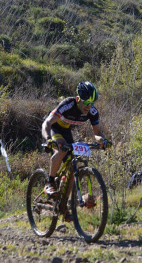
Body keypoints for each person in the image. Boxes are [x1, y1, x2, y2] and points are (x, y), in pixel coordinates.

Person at [42, 81, 111, 221]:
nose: (88, 106)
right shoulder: (68, 104)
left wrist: (102, 141)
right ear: (78, 98)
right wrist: (48, 139)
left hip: (66, 131)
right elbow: (47, 123)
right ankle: (49, 182)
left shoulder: (92, 111)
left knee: (73, 172)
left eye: (92, 103)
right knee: (61, 150)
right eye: (86, 102)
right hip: (54, 128)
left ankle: (63, 207)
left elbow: (97, 133)